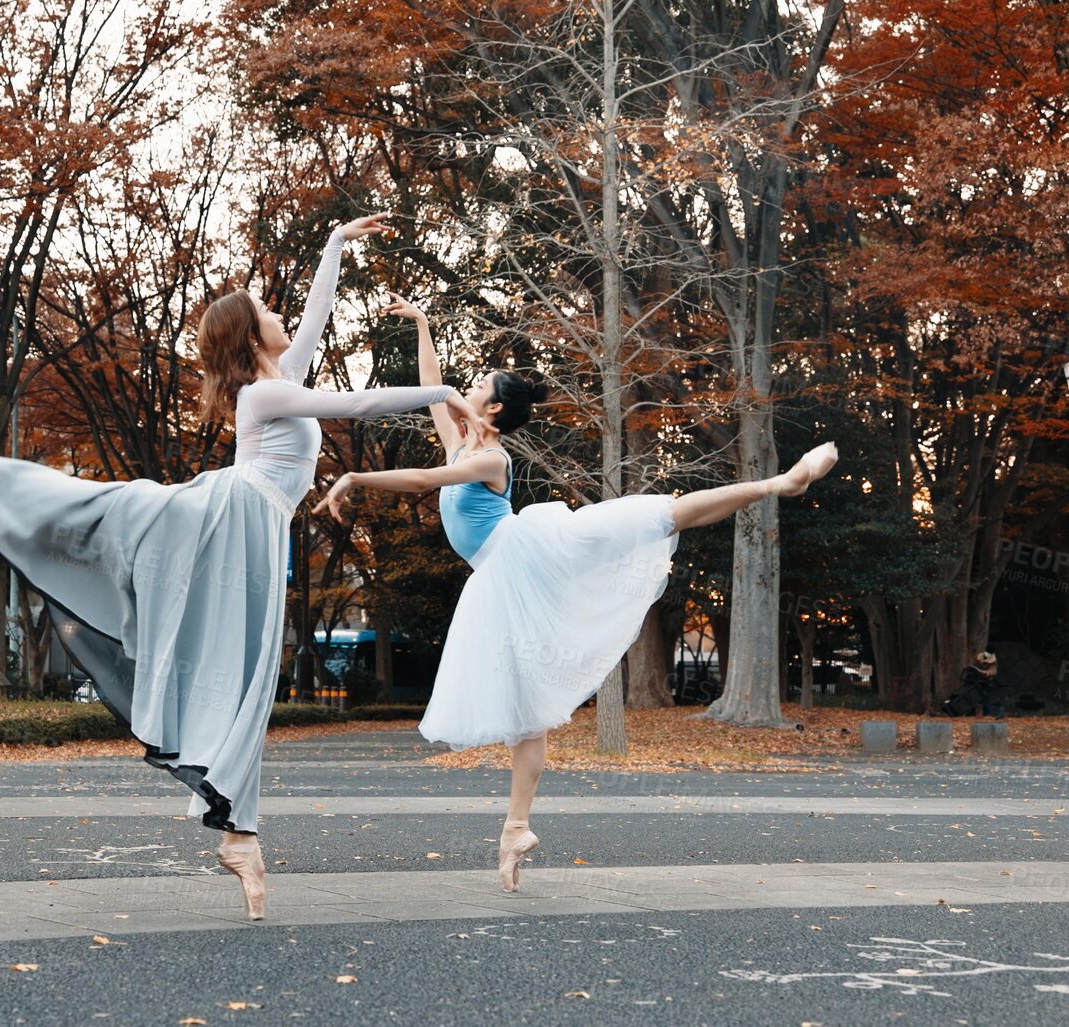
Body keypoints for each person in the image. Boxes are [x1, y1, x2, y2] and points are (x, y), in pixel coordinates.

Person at [0, 215, 489, 920]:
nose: (283, 313)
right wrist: (440, 394)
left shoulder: (279, 375)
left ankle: (240, 833)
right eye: (268, 312)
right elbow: (353, 402)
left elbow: (317, 316)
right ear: (250, 335)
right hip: (228, 517)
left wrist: (333, 242)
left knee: (247, 683)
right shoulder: (263, 394)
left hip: (256, 539)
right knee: (103, 506)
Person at [314, 293, 837, 891]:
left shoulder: (490, 459)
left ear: (493, 407)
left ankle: (781, 481)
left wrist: (356, 475)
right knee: (527, 715)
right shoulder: (463, 441)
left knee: (657, 515)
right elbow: (434, 386)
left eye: (479, 383)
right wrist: (423, 325)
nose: (469, 385)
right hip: (501, 581)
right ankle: (515, 830)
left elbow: (425, 480)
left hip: (534, 551)